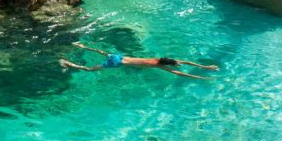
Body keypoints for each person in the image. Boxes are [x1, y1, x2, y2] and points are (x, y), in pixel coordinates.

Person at [61, 43, 218, 79]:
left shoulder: (162, 59)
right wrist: (200, 76)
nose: (177, 63)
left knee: (102, 52)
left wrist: (205, 66)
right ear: (167, 64)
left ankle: (82, 46)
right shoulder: (160, 65)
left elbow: (185, 63)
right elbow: (178, 72)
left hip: (119, 56)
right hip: (118, 63)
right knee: (90, 70)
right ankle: (68, 63)